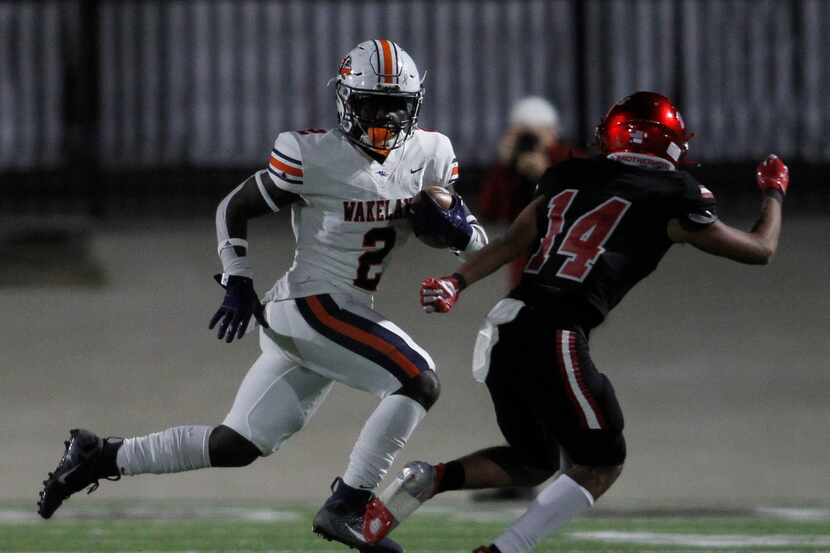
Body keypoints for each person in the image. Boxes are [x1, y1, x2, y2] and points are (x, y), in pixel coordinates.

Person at [37, 39, 487, 553]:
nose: (385, 118)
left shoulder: (430, 154)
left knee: (237, 444)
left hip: (337, 315)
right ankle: (349, 505)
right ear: (346, 102)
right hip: (312, 303)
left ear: (415, 107)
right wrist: (237, 276)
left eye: (395, 107)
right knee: (417, 379)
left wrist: (454, 229)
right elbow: (235, 206)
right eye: (372, 105)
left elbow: (476, 239)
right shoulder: (313, 155)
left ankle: (98, 457)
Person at [361, 91, 790, 553]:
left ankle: (430, 478)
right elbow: (760, 249)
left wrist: (456, 281)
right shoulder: (671, 197)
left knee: (534, 461)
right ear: (668, 143)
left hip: (503, 326)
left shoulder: (570, 176)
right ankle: (507, 549)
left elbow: (513, 240)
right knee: (602, 462)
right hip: (556, 332)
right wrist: (773, 191)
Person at [479, 97, 577, 288]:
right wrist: (504, 166)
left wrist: (547, 173)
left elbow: (581, 206)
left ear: (552, 132)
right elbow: (489, 211)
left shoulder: (568, 160)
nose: (530, 141)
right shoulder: (511, 167)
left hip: (566, 260)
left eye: (536, 134)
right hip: (526, 265)